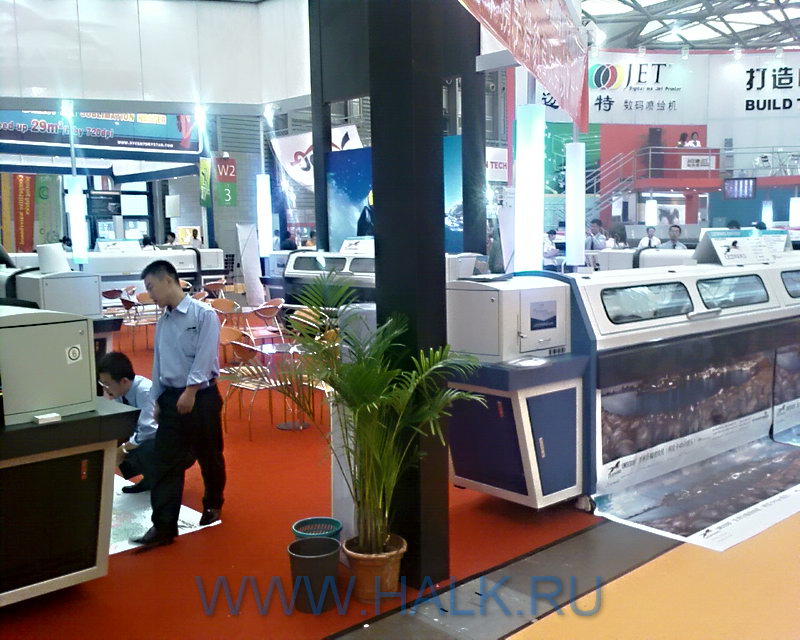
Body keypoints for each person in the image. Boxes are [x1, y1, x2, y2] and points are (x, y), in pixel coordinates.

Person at [131, 260, 224, 548]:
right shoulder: (163, 322)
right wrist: (157, 399)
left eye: (151, 287)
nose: (150, 294)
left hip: (201, 397)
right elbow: (159, 363)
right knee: (165, 461)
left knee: (209, 454)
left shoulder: (203, 314)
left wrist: (191, 390)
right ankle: (163, 526)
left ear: (169, 280)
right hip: (171, 398)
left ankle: (213, 503)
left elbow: (206, 355)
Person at [98, 352, 158, 494]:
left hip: (173, 441)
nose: (105, 389)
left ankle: (161, 479)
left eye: (107, 384)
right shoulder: (120, 392)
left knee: (143, 448)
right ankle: (150, 478)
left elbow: (149, 430)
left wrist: (123, 449)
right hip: (149, 435)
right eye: (102, 383)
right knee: (115, 440)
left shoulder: (144, 391)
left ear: (124, 381)